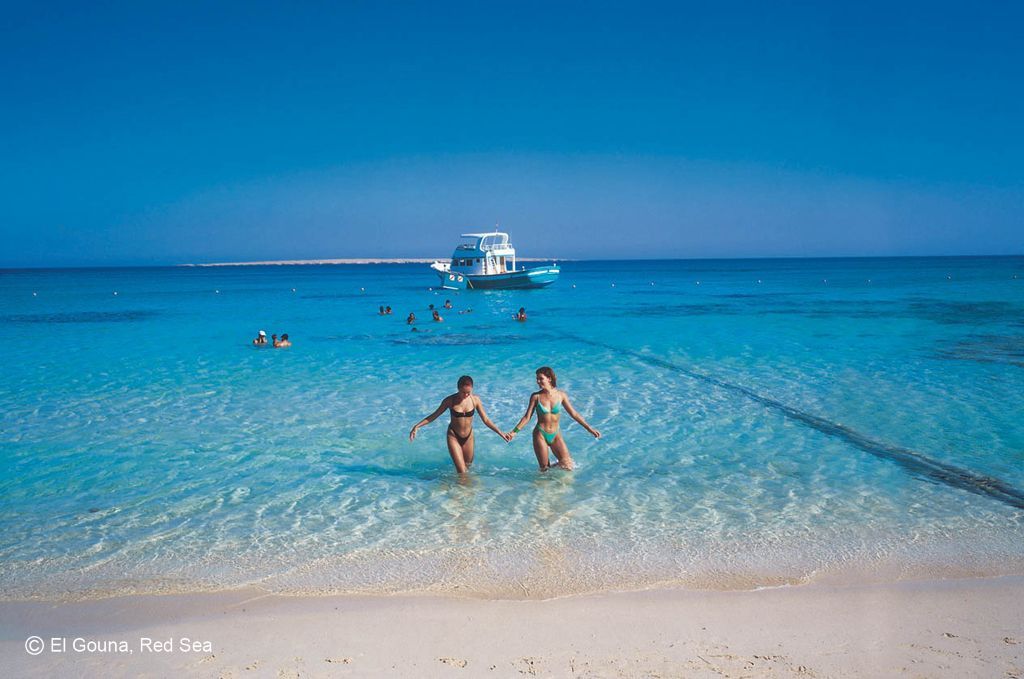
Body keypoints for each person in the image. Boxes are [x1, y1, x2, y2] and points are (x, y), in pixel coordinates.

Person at [409, 376, 511, 474]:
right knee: (462, 472)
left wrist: (501, 433)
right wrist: (417, 426)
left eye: (468, 392)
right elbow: (435, 415)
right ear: (458, 388)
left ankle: (456, 484)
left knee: (467, 467)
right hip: (453, 436)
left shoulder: (475, 400)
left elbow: (486, 420)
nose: (466, 395)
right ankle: (460, 486)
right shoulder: (449, 400)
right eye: (463, 392)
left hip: (469, 437)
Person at [507, 367, 600, 471]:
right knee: (544, 469)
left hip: (556, 434)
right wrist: (514, 432)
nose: (538, 381)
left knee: (568, 465)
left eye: (541, 378)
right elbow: (527, 417)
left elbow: (574, 414)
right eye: (537, 379)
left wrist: (589, 429)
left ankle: (557, 476)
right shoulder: (536, 396)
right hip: (540, 434)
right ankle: (545, 479)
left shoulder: (561, 395)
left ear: (549, 378)